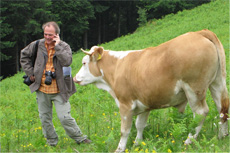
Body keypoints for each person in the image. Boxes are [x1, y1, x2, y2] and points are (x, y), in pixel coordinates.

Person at [20, 21, 91, 146]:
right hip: (41, 88)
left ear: (57, 34)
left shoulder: (64, 46)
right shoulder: (37, 44)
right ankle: (51, 142)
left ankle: (80, 138)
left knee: (65, 117)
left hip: (60, 89)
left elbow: (67, 61)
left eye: (51, 35)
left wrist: (57, 46)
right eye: (46, 34)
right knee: (44, 118)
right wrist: (30, 72)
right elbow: (24, 55)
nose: (47, 37)